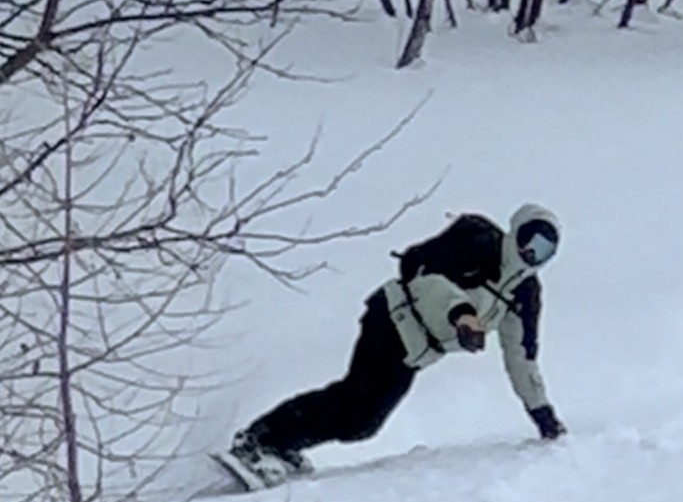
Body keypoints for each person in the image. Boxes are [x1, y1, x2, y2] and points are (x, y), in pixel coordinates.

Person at [222, 203, 566, 487]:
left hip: (417, 348)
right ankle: (260, 441)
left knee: (363, 419)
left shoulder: (524, 293)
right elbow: (426, 279)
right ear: (516, 230)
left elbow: (522, 356)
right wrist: (459, 314)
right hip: (393, 317)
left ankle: (280, 443)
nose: (532, 254)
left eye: (544, 251)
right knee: (359, 403)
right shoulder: (479, 243)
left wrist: (542, 413)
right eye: (530, 241)